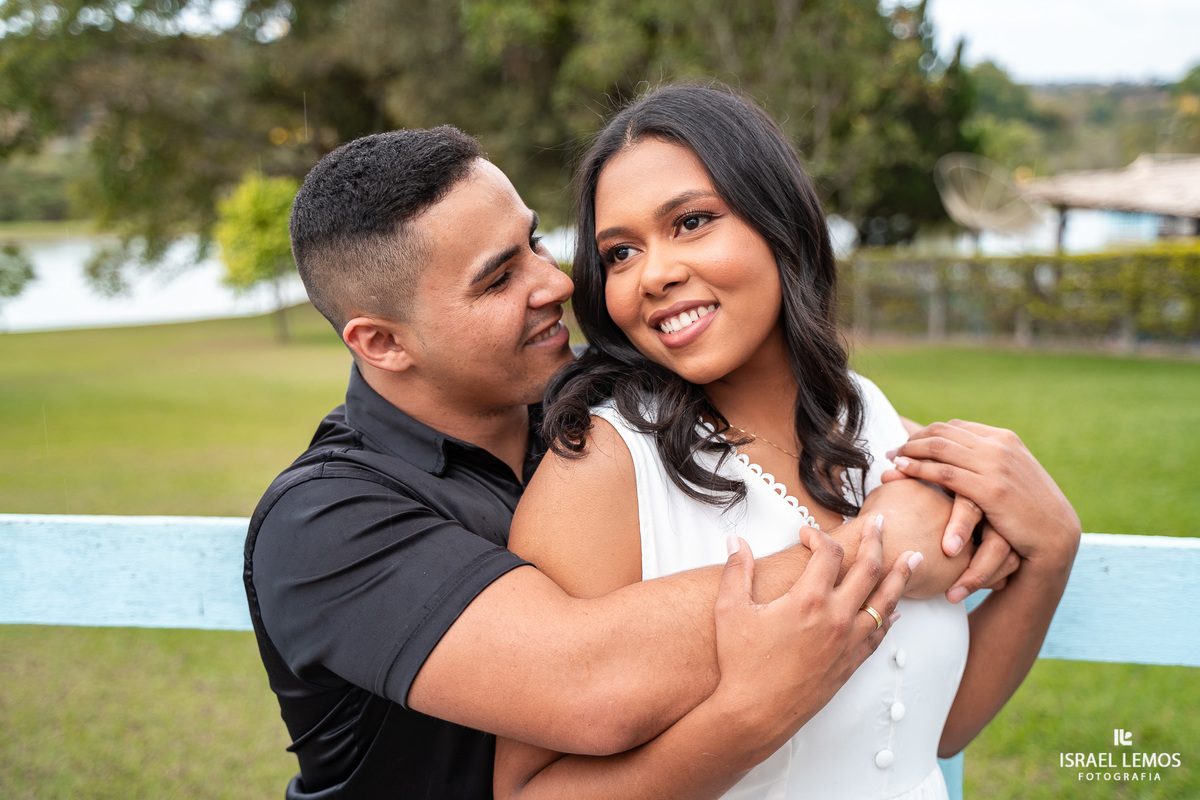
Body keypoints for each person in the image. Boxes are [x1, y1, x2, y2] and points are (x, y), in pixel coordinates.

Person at [244, 125, 1019, 799]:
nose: (556, 282)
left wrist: (961, 480)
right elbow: (588, 681)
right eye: (498, 278)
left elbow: (824, 434)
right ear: (381, 342)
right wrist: (879, 548)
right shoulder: (325, 521)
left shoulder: (594, 398)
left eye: (537, 243)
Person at [493, 83, 1082, 800]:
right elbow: (527, 792)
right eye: (619, 253)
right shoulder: (602, 467)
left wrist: (1052, 549)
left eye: (692, 221)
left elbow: (932, 731)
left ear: (781, 220)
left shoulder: (869, 418)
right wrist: (758, 709)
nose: (654, 274)